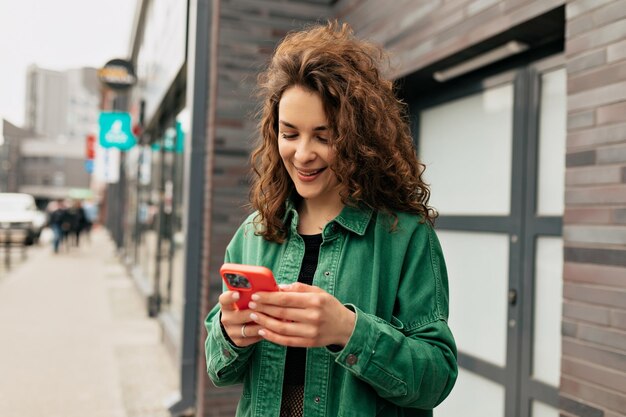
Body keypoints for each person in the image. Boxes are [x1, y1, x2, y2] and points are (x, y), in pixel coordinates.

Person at [205, 21, 457, 417]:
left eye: (324, 137)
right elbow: (218, 370)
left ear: (359, 139)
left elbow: (436, 377)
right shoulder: (253, 233)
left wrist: (347, 330)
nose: (303, 154)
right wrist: (230, 335)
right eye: (290, 134)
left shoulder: (405, 237)